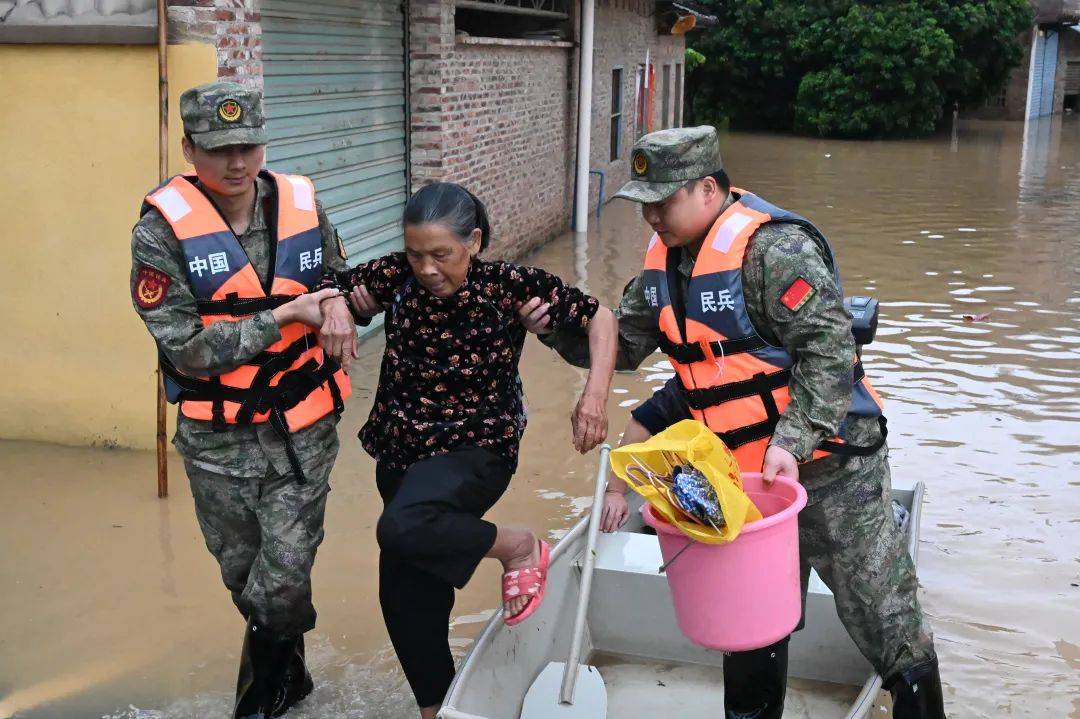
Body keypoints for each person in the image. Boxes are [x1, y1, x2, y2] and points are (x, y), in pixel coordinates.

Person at [518, 126, 946, 718]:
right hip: (743, 479)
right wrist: (554, 330)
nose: (652, 218)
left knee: (884, 617)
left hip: (830, 467)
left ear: (708, 189)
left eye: (663, 202)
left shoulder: (777, 251)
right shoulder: (663, 266)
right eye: (644, 205)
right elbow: (624, 346)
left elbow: (830, 354)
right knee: (749, 625)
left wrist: (793, 441)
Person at [320, 182, 617, 719]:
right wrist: (338, 305)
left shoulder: (508, 286)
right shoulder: (394, 276)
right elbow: (327, 287)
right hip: (401, 448)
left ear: (473, 242)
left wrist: (594, 396)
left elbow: (600, 317)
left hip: (476, 446)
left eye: (441, 254)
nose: (427, 269)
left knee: (402, 527)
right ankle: (437, 708)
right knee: (405, 590)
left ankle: (519, 547)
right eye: (415, 254)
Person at [130, 81, 359, 719]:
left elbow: (339, 277)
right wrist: (284, 315)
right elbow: (187, 349)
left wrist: (337, 303)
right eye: (219, 149)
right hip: (216, 440)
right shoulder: (158, 234)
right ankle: (292, 676)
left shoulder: (301, 205)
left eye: (248, 147)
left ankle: (255, 704)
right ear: (188, 149)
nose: (237, 163)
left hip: (302, 426)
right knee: (243, 577)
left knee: (283, 573)